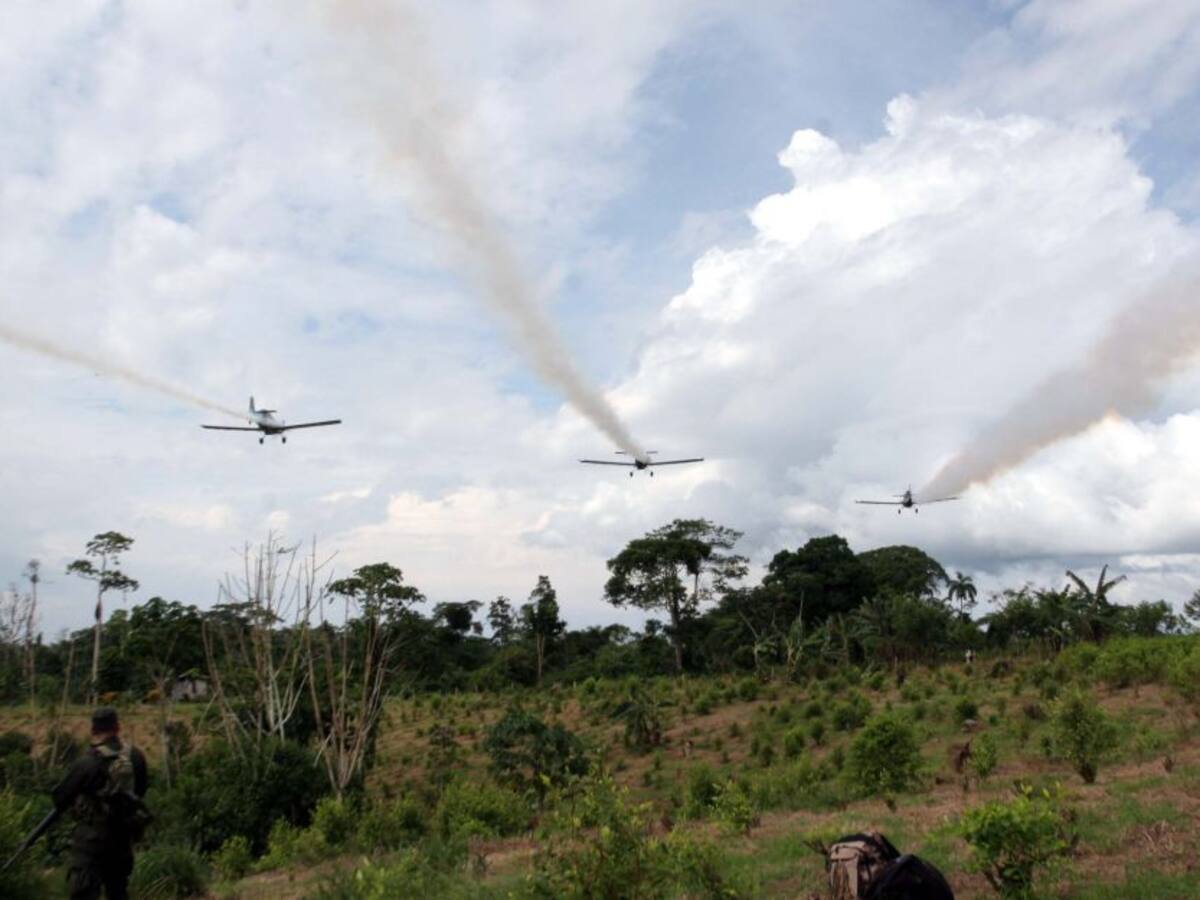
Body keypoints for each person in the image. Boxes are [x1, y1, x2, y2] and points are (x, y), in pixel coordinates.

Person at [51, 707, 148, 900]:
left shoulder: (87, 762)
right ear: (118, 727)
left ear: (93, 730)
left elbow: (60, 798)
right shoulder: (135, 757)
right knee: (118, 892)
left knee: (83, 893)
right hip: (122, 839)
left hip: (90, 843)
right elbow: (141, 790)